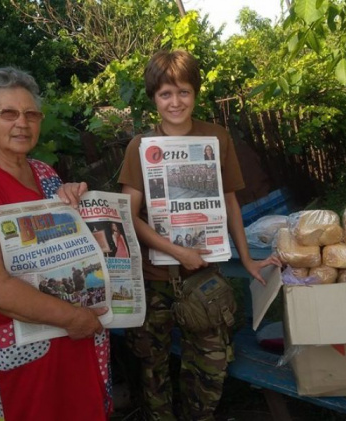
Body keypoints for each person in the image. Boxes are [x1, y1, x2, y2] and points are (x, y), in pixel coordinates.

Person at [118, 50, 281, 420]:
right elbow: (128, 216)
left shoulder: (216, 138)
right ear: (153, 98)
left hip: (204, 276)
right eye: (165, 94)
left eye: (183, 92)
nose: (175, 102)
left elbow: (230, 203)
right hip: (154, 280)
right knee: (152, 373)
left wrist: (249, 257)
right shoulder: (140, 148)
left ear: (195, 93)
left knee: (210, 369)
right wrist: (176, 252)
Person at [0, 67, 111, 421]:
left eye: (31, 114)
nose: (22, 123)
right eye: (8, 113)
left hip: (74, 339)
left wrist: (75, 199)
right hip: (22, 347)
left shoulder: (45, 173)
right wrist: (74, 318)